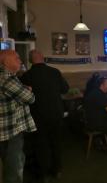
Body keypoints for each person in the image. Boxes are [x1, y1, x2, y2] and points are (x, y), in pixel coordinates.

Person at [20, 50, 69, 182]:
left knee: (40, 144)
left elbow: (23, 97)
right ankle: (57, 169)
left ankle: (43, 173)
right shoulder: (55, 72)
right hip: (56, 113)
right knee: (56, 142)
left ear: (30, 60)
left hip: (37, 115)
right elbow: (65, 89)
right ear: (43, 58)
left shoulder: (26, 75)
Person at [0, 50, 36, 183]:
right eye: (17, 58)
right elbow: (30, 98)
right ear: (6, 62)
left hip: (5, 130)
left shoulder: (6, 77)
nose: (20, 61)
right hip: (11, 132)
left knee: (10, 164)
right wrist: (27, 90)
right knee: (14, 168)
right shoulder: (7, 78)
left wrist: (22, 88)